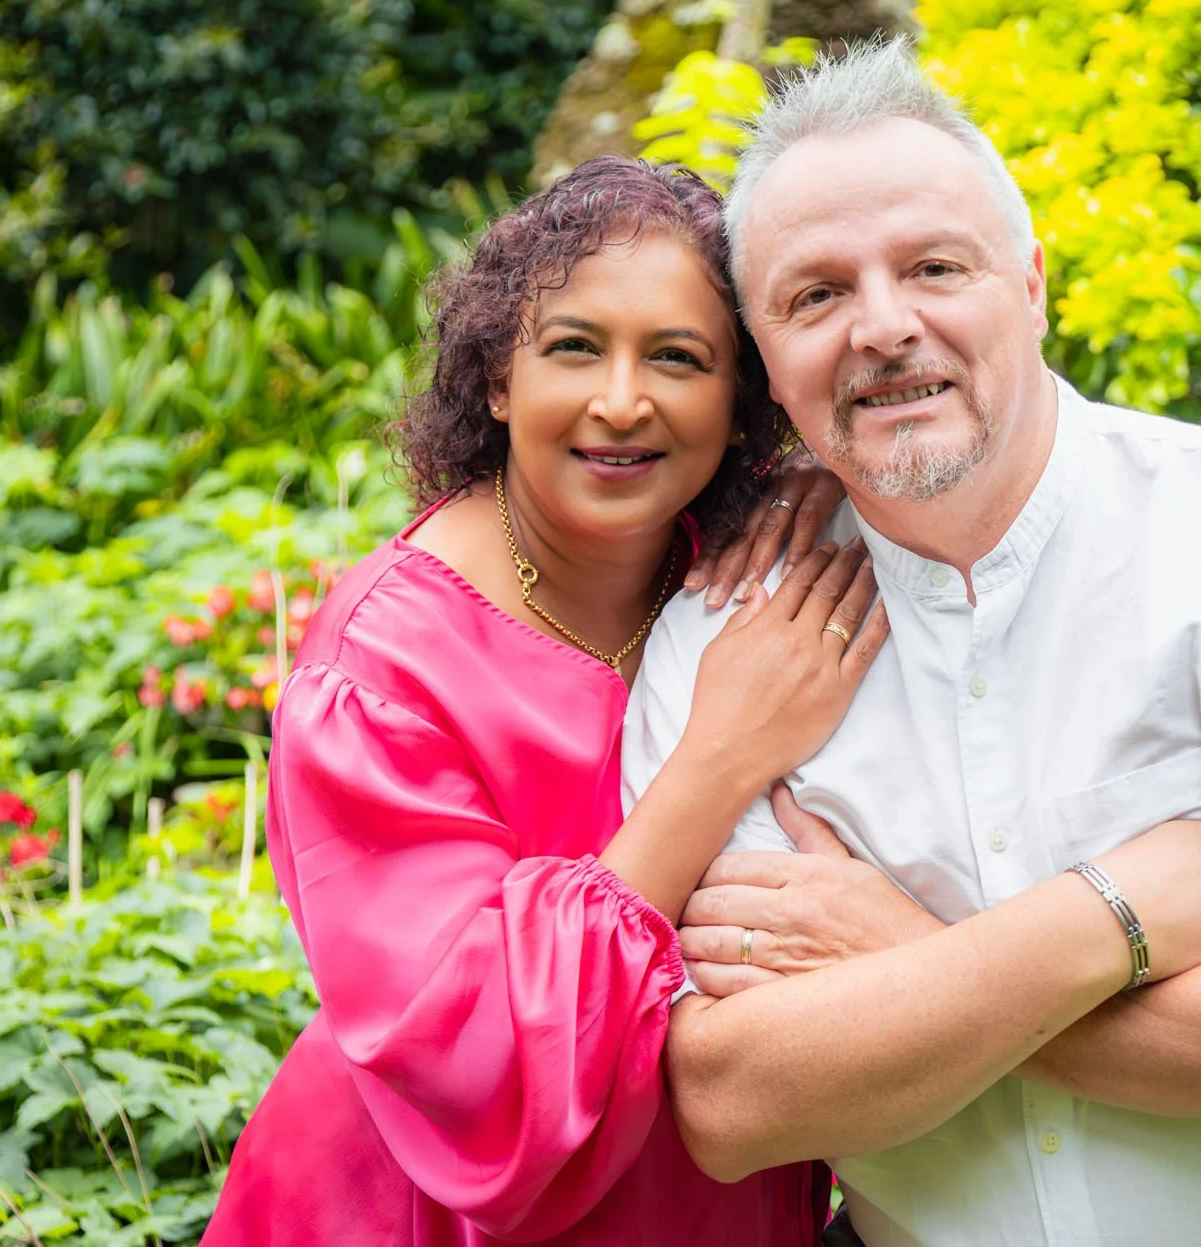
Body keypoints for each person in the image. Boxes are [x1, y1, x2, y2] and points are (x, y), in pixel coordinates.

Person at [622, 40, 1201, 1246]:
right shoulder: (721, 640)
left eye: (934, 267)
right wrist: (1116, 917)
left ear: (1032, 285)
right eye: (815, 295)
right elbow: (734, 1099)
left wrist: (906, 960)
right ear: (766, 364)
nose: (882, 327)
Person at [204, 156, 888, 1245]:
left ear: (742, 399)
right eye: (574, 347)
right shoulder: (381, 668)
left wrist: (827, 471)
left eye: (678, 357)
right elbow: (481, 1063)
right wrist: (717, 759)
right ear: (496, 377)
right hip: (419, 1210)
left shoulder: (750, 567)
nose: (621, 402)